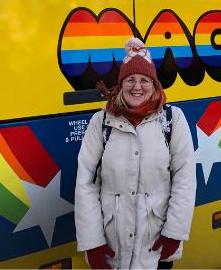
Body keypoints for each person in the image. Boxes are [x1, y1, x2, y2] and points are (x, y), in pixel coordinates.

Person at [74, 38, 196, 270]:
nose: (137, 87)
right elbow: (85, 182)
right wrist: (92, 242)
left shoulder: (173, 119)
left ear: (154, 84)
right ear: (120, 84)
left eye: (144, 80)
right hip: (111, 244)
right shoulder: (101, 122)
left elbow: (185, 179)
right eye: (130, 79)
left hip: (156, 243)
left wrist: (174, 232)